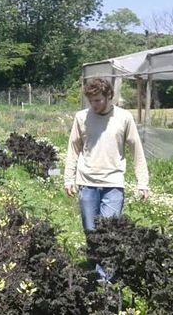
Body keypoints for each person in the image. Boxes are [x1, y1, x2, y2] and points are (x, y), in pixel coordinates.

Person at [64, 78, 149, 233]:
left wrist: (142, 182)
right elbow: (73, 149)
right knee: (90, 231)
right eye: (91, 101)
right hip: (87, 182)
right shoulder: (81, 117)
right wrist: (69, 179)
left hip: (113, 183)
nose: (94, 105)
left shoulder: (124, 117)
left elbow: (136, 150)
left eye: (98, 100)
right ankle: (93, 258)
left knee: (110, 232)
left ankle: (107, 258)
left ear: (109, 96)